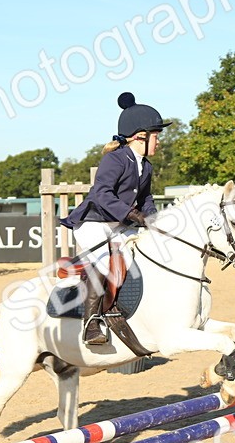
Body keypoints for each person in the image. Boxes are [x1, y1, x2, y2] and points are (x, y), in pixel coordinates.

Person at [59, 92, 167, 345]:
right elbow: (101, 194)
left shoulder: (146, 166)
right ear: (141, 136)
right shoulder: (115, 160)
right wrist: (132, 214)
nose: (159, 142)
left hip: (118, 226)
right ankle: (91, 322)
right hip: (93, 224)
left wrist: (154, 219)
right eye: (157, 136)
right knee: (105, 264)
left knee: (145, 255)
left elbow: (146, 198)